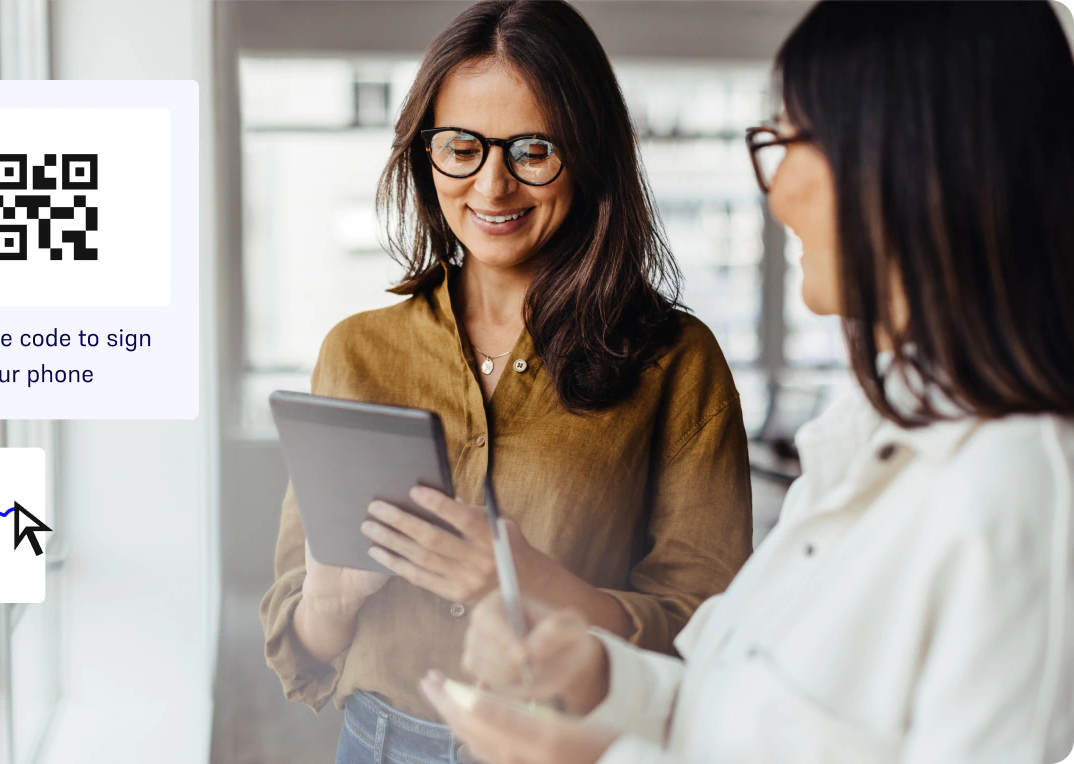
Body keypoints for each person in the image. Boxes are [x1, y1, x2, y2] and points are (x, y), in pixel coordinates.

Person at [421, 2, 1074, 762]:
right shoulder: (863, 444)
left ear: (925, 166)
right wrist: (602, 676)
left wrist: (594, 760)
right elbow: (738, 713)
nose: (778, 187)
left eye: (800, 139)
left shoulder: (1019, 486)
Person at [259, 2, 754, 762]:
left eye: (532, 150)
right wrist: (331, 598)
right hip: (379, 743)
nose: (492, 186)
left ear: (586, 155)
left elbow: (708, 633)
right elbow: (302, 646)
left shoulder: (677, 363)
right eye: (462, 146)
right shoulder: (357, 351)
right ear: (426, 154)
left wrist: (532, 582)